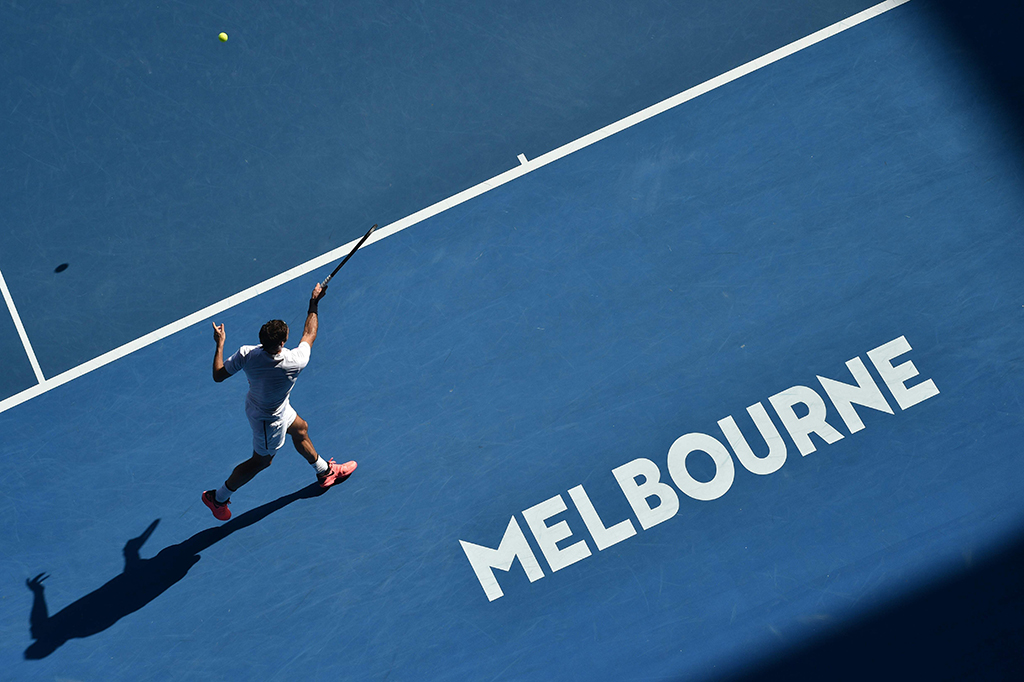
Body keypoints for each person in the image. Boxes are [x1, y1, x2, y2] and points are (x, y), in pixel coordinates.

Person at [202, 282, 355, 521]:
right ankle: (218, 498)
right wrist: (314, 301)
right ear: (282, 343)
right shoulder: (295, 361)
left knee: (301, 429)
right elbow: (310, 333)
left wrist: (219, 344)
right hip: (268, 421)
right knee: (261, 462)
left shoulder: (247, 354)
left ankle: (324, 472)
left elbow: (218, 375)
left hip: (267, 406)